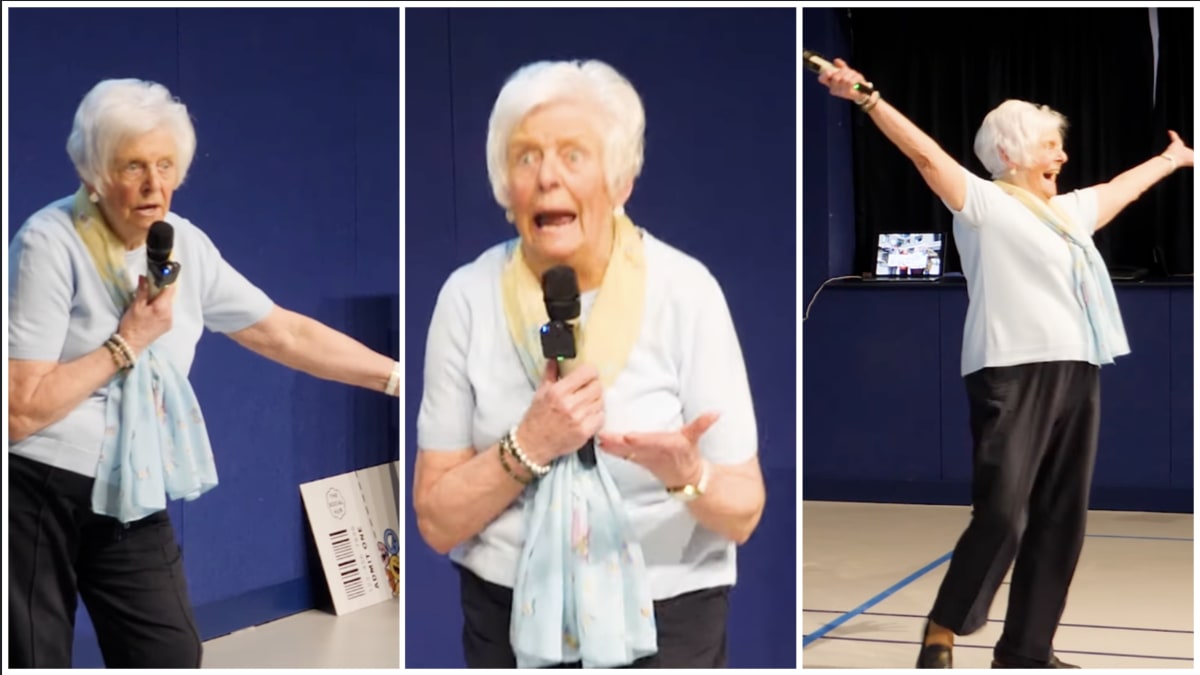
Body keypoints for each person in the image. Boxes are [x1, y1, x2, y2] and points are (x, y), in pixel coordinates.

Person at [7, 78, 401, 668]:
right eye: (133, 165)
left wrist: (396, 378)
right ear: (92, 172)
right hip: (35, 489)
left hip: (129, 487)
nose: (154, 184)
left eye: (166, 164)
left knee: (168, 655)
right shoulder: (49, 242)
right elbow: (18, 411)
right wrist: (126, 342)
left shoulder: (184, 244)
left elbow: (282, 332)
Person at [817, 58, 1193, 668]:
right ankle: (945, 622)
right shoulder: (985, 205)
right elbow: (926, 156)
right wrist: (867, 98)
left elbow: (1125, 187)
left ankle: (1026, 651)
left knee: (1060, 519)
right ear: (1010, 153)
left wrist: (1173, 160)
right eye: (1050, 145)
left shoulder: (1069, 214)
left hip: (1077, 368)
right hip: (1010, 372)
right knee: (1003, 513)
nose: (1063, 156)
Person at [413, 59, 766, 669]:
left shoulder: (686, 291)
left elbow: (742, 511)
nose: (547, 176)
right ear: (505, 185)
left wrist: (688, 474)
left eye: (573, 155)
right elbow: (437, 520)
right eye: (525, 157)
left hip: (669, 617)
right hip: (510, 618)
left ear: (620, 179)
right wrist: (527, 445)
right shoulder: (466, 297)